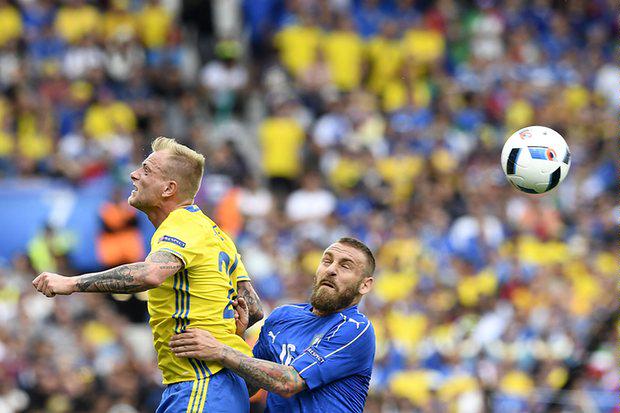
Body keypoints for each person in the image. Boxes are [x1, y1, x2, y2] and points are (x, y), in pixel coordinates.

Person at [32, 137, 264, 413]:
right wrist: (226, 334)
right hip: (217, 384)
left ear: (168, 189)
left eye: (146, 170)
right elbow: (254, 308)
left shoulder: (181, 224)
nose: (134, 174)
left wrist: (71, 283)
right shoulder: (216, 234)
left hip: (199, 383)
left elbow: (151, 274)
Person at [169, 237, 376, 413]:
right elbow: (249, 387)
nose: (331, 270)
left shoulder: (356, 329)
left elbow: (289, 383)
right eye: (327, 261)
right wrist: (237, 339)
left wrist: (221, 350)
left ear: (365, 285)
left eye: (345, 266)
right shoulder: (283, 316)